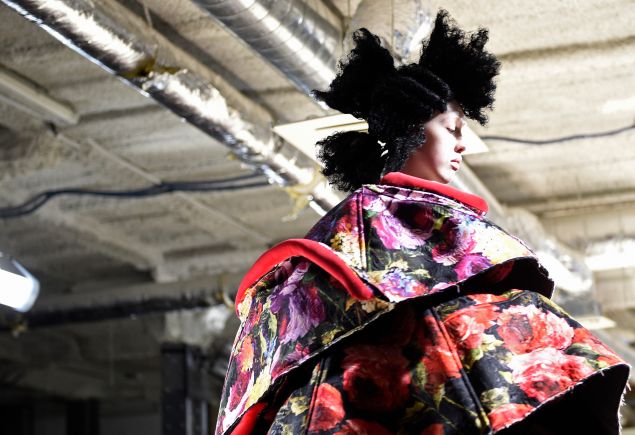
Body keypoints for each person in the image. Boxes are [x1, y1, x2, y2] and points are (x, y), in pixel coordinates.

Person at [215, 10, 630, 435]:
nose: (463, 144)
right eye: (452, 128)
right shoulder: (380, 219)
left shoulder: (415, 224)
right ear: (413, 127)